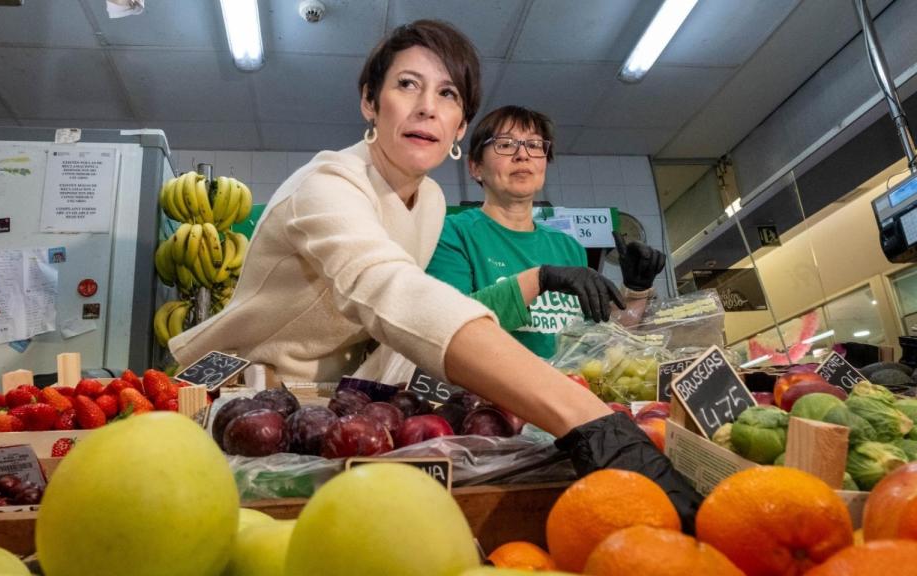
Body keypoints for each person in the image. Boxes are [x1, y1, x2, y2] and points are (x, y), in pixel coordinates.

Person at [168, 20, 698, 531]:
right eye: (407, 84)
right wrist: (585, 418)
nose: (427, 106)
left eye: (448, 94)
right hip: (247, 402)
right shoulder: (327, 182)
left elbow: (397, 331)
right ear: (370, 101)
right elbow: (388, 290)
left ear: (460, 127)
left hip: (338, 410)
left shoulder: (432, 201)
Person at [427, 105, 667, 360]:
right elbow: (448, 328)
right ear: (475, 167)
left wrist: (636, 291)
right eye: (505, 145)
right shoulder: (452, 233)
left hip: (566, 383)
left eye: (534, 145)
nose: (523, 155)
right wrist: (539, 279)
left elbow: (598, 342)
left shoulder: (568, 247)